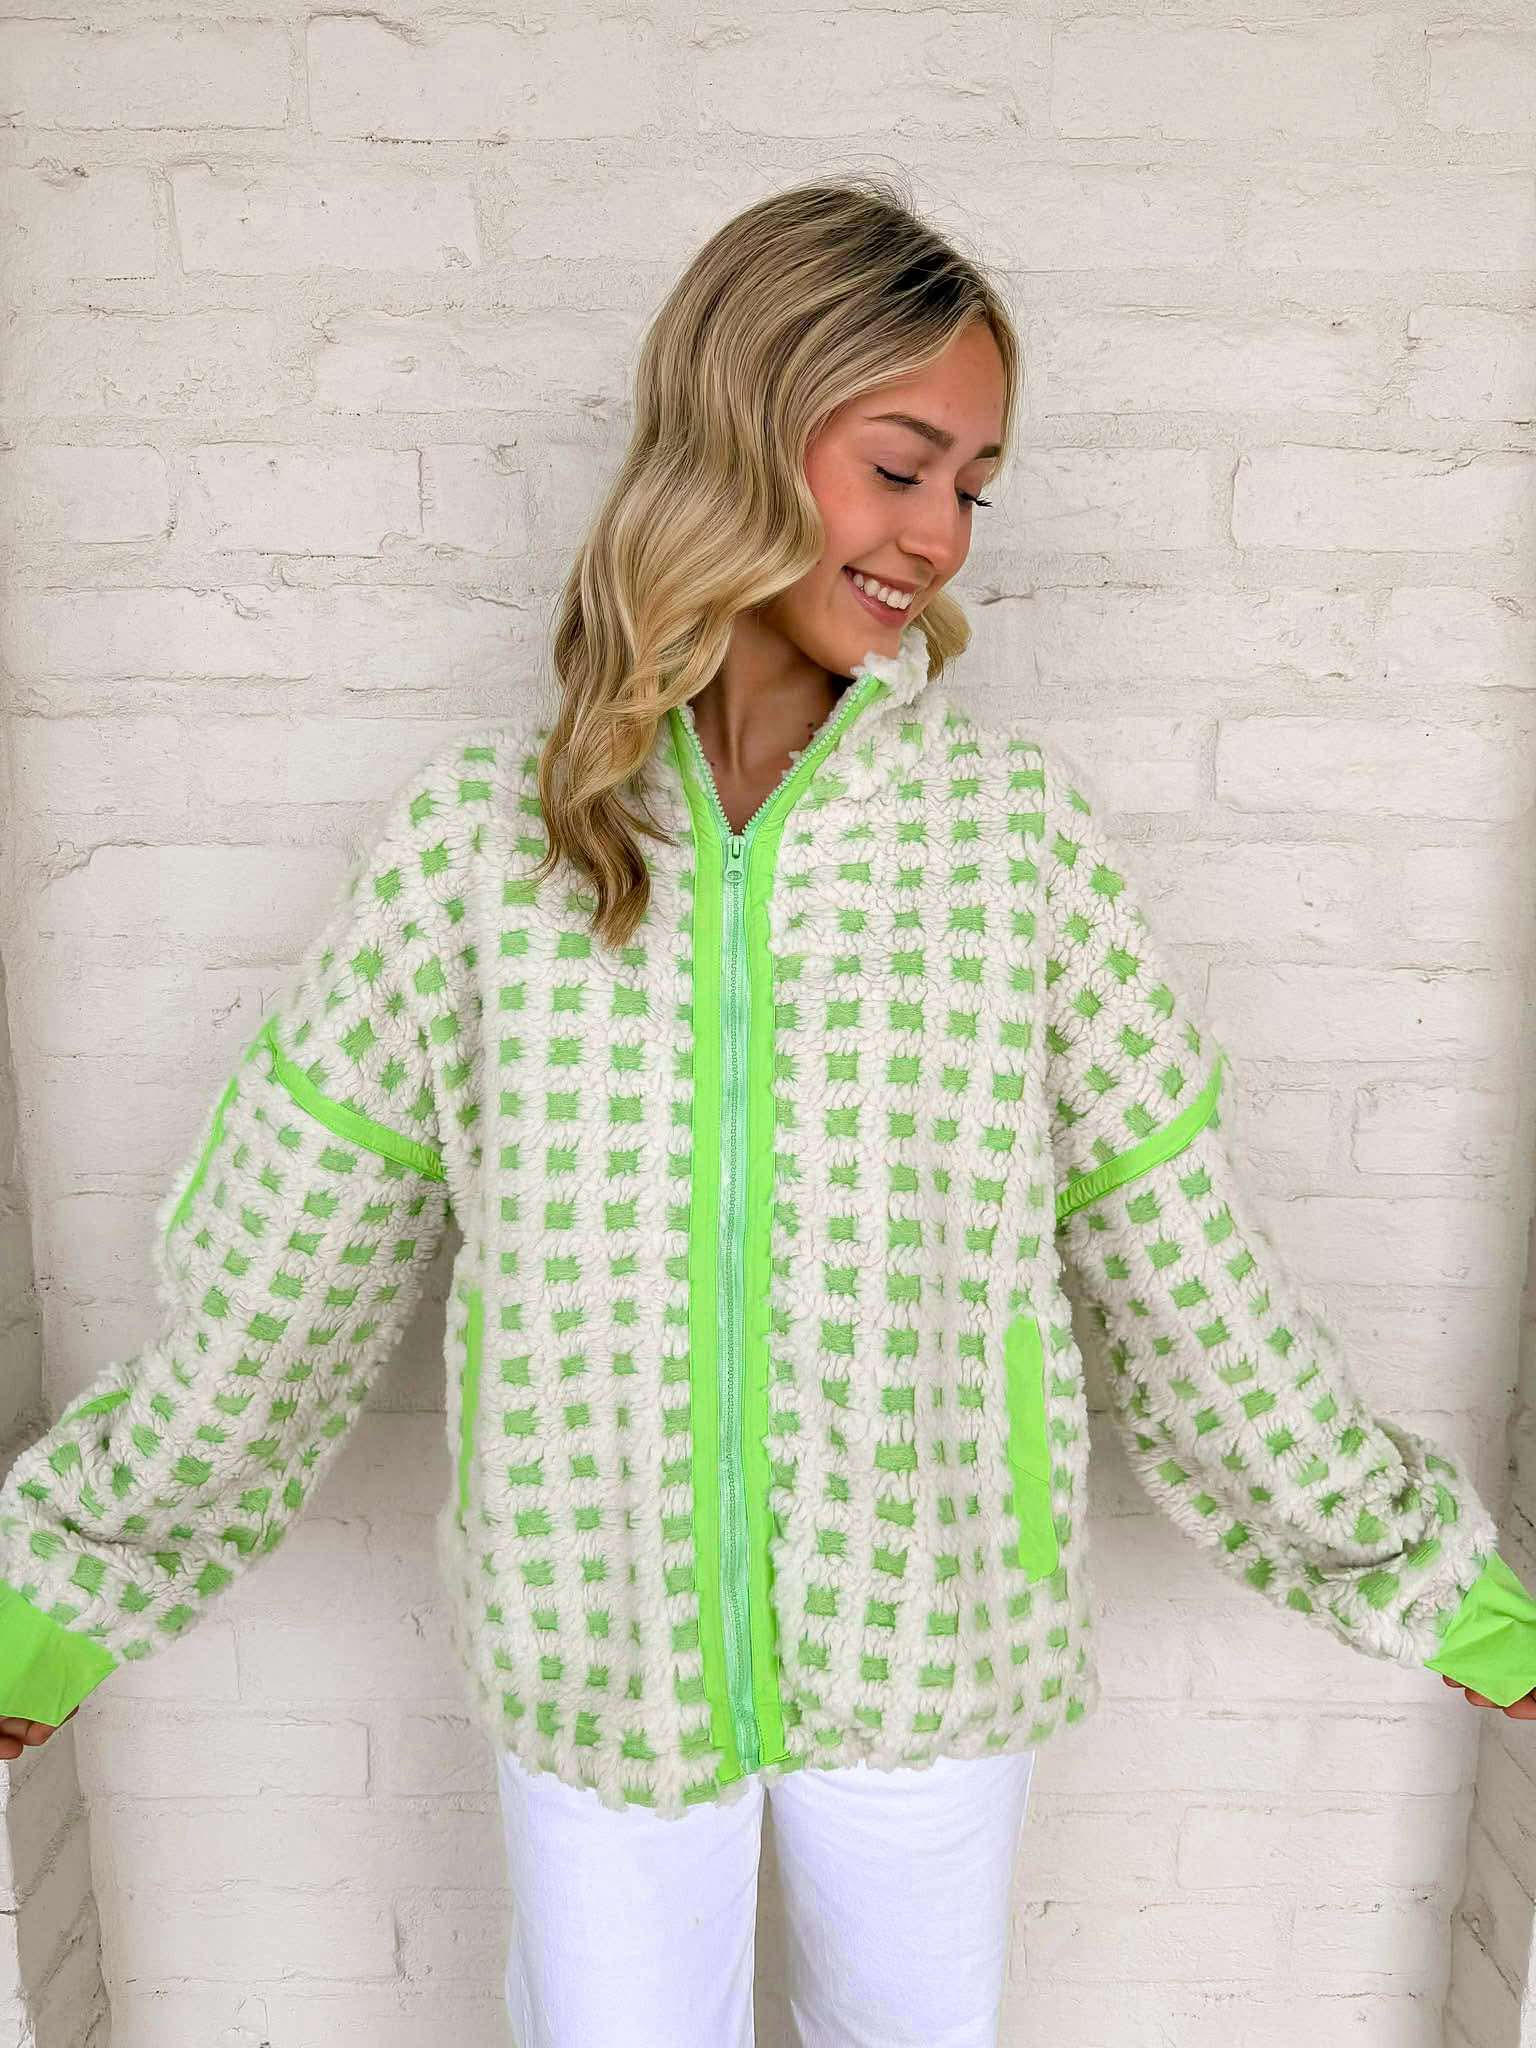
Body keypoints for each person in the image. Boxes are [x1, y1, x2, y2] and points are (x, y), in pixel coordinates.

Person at [1, 172, 1533, 2047]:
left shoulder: (1013, 851)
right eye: (901, 467)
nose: (940, 538)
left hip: (934, 1636)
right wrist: (60, 1599)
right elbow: (279, 1286)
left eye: (974, 489)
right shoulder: (485, 848)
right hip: (599, 1644)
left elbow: (1191, 1277)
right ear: (741, 427)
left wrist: (1437, 1593)